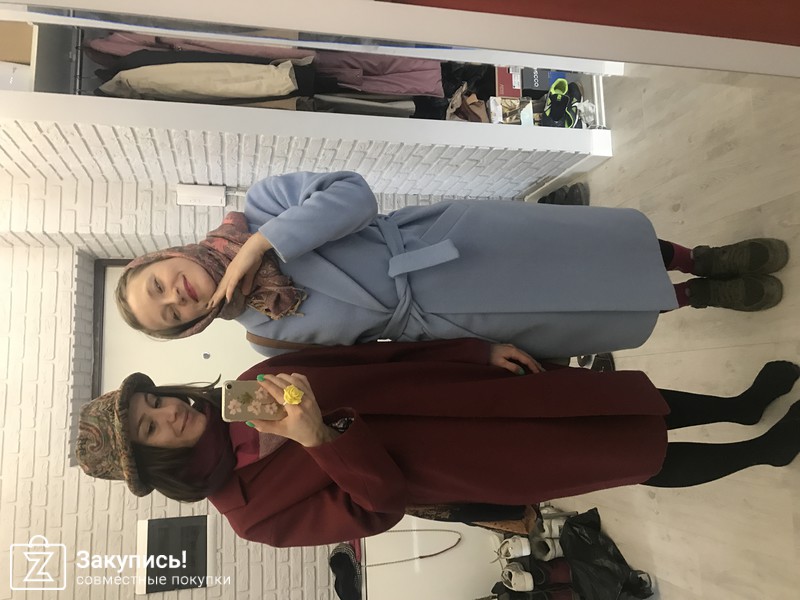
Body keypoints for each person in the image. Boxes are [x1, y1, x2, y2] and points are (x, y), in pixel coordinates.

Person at [76, 338, 800, 548]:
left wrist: (472, 352)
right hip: (478, 462)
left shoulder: (257, 382)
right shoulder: (252, 515)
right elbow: (379, 507)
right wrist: (318, 438)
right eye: (150, 427)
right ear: (154, 464)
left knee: (613, 400)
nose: (169, 412)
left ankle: (740, 406)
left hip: (470, 396)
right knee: (629, 455)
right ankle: (762, 450)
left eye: (154, 399)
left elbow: (376, 357)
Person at [115, 171, 788, 358]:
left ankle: (700, 258)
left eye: (158, 284)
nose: (176, 295)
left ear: (165, 257)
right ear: (186, 328)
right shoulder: (266, 338)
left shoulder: (263, 206)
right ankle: (699, 298)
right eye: (169, 313)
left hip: (448, 243)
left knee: (583, 248)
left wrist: (261, 246)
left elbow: (354, 196)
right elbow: (375, 360)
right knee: (585, 308)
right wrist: (474, 356)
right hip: (449, 320)